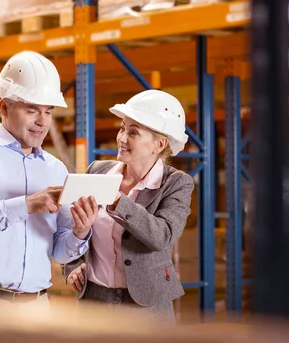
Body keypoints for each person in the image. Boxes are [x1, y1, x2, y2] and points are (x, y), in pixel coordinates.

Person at [0, 51, 98, 319]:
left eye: (48, 112)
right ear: (4, 107)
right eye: (31, 110)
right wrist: (26, 205)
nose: (42, 121)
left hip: (36, 308)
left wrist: (80, 233)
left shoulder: (55, 168)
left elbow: (60, 252)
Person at [62, 89, 194, 322]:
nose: (121, 138)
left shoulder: (176, 183)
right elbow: (73, 228)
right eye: (122, 128)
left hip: (146, 306)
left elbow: (162, 236)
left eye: (133, 132)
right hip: (94, 300)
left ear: (159, 143)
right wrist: (73, 264)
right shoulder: (98, 171)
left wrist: (118, 201)